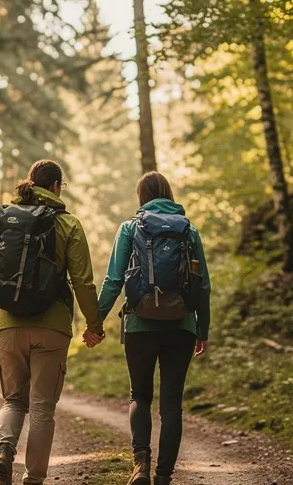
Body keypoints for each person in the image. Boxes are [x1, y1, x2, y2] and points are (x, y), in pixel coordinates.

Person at [0, 159, 105, 485]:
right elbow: (83, 283)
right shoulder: (69, 224)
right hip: (52, 327)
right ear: (55, 186)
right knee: (41, 409)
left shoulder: (3, 218)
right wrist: (94, 325)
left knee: (13, 401)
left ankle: (3, 451)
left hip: (9, 322)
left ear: (29, 183)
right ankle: (32, 479)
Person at [93, 171, 211, 485]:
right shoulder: (189, 231)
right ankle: (163, 477)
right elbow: (203, 285)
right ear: (169, 195)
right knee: (171, 403)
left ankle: (140, 466)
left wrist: (96, 322)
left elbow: (114, 281)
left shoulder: (130, 228)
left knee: (140, 396)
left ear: (141, 196)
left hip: (139, 324)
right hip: (182, 325)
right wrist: (203, 330)